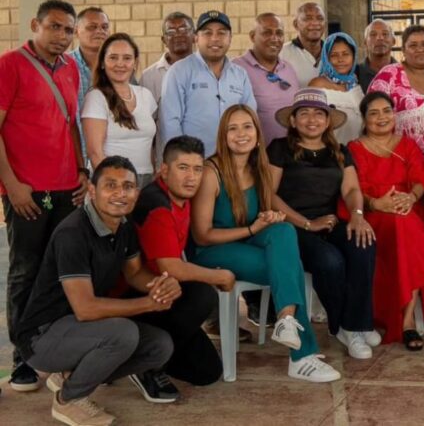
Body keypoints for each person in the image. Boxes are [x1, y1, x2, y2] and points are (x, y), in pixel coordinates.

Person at [15, 156, 178, 425]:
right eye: (110, 185)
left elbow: (135, 273)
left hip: (80, 330)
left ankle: (70, 375)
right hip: (42, 336)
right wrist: (149, 304)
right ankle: (68, 400)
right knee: (123, 333)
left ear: (136, 192)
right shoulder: (73, 233)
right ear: (92, 190)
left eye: (127, 186)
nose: (120, 193)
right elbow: (86, 308)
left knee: (159, 346)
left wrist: (162, 286)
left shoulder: (123, 225)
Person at [190, 104, 340, 383]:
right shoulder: (211, 172)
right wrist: (252, 228)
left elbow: (266, 208)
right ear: (223, 136)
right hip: (211, 252)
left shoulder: (257, 168)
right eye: (232, 128)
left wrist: (277, 219)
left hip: (245, 243)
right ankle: (301, 356)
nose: (241, 134)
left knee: (283, 231)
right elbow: (202, 235)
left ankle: (285, 319)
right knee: (290, 267)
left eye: (247, 127)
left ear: (258, 134)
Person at [0, 0, 88, 392]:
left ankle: (55, 347)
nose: (62, 37)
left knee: (59, 272)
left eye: (69, 30)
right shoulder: (9, 65)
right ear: (35, 24)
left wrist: (82, 169)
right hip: (27, 193)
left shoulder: (70, 67)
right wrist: (13, 186)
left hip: (67, 188)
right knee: (24, 271)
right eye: (54, 27)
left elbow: (69, 124)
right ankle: (24, 357)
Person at [350, 92, 424, 350]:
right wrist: (377, 203)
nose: (382, 117)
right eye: (374, 113)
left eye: (386, 111)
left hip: (407, 211)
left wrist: (410, 196)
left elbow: (422, 178)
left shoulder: (406, 145)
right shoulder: (354, 148)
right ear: (363, 119)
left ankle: (407, 321)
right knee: (401, 224)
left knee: (404, 223)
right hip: (373, 214)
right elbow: (352, 189)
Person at [267, 88, 377, 360]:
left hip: (328, 222)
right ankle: (344, 327)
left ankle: (355, 323)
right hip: (292, 227)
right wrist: (306, 223)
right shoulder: (279, 148)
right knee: (330, 261)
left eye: (319, 113)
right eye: (303, 113)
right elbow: (267, 195)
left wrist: (358, 214)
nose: (312, 119)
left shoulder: (339, 151)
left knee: (363, 243)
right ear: (293, 120)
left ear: (328, 121)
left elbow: (351, 189)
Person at [131, 136, 228, 389]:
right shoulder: (157, 205)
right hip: (135, 296)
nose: (191, 177)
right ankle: (145, 363)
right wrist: (219, 276)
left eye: (197, 169)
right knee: (203, 295)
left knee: (207, 372)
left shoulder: (182, 198)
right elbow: (170, 267)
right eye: (182, 168)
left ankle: (143, 353)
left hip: (163, 293)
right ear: (164, 170)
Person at [158, 10, 255, 155]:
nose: (215, 38)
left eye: (221, 33)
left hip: (234, 162)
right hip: (195, 164)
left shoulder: (240, 75)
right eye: (208, 33)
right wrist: (182, 160)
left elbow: (251, 118)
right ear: (196, 38)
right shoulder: (179, 72)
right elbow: (170, 122)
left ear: (230, 38)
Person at [367, 25, 424, 165]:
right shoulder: (388, 76)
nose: (420, 49)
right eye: (413, 45)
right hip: (394, 162)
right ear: (403, 51)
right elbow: (371, 118)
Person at [82, 33, 159, 186]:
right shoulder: (96, 97)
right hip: (114, 182)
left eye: (127, 58)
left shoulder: (146, 95)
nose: (120, 64)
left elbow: (149, 143)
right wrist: (118, 185)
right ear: (103, 62)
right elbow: (95, 153)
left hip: (147, 180)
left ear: (135, 63)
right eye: (113, 57)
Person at [233, 12, 303, 143]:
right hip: (254, 155)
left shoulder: (288, 68)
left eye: (279, 33)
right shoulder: (235, 69)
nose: (274, 38)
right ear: (253, 36)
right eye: (267, 33)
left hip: (291, 153)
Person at [308, 32, 365, 146]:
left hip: (358, 154)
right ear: (326, 59)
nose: (340, 60)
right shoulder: (317, 85)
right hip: (330, 155)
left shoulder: (357, 85)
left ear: (353, 57)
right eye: (334, 55)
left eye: (345, 54)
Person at [140, 11, 194, 105]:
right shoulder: (149, 77)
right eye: (171, 32)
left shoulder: (208, 69)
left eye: (183, 29)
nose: (177, 35)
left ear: (195, 35)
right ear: (164, 40)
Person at [70, 7, 111, 122]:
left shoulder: (119, 66)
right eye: (92, 27)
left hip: (112, 139)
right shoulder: (63, 64)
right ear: (76, 31)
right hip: (75, 138)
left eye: (104, 27)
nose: (100, 31)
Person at [278, 2, 327, 87]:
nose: (315, 23)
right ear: (296, 24)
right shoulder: (281, 53)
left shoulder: (333, 52)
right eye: (308, 19)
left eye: (320, 18)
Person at [355, 19, 396, 90]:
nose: (379, 38)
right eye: (373, 34)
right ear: (365, 42)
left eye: (385, 34)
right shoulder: (355, 74)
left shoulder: (404, 73)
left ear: (393, 41)